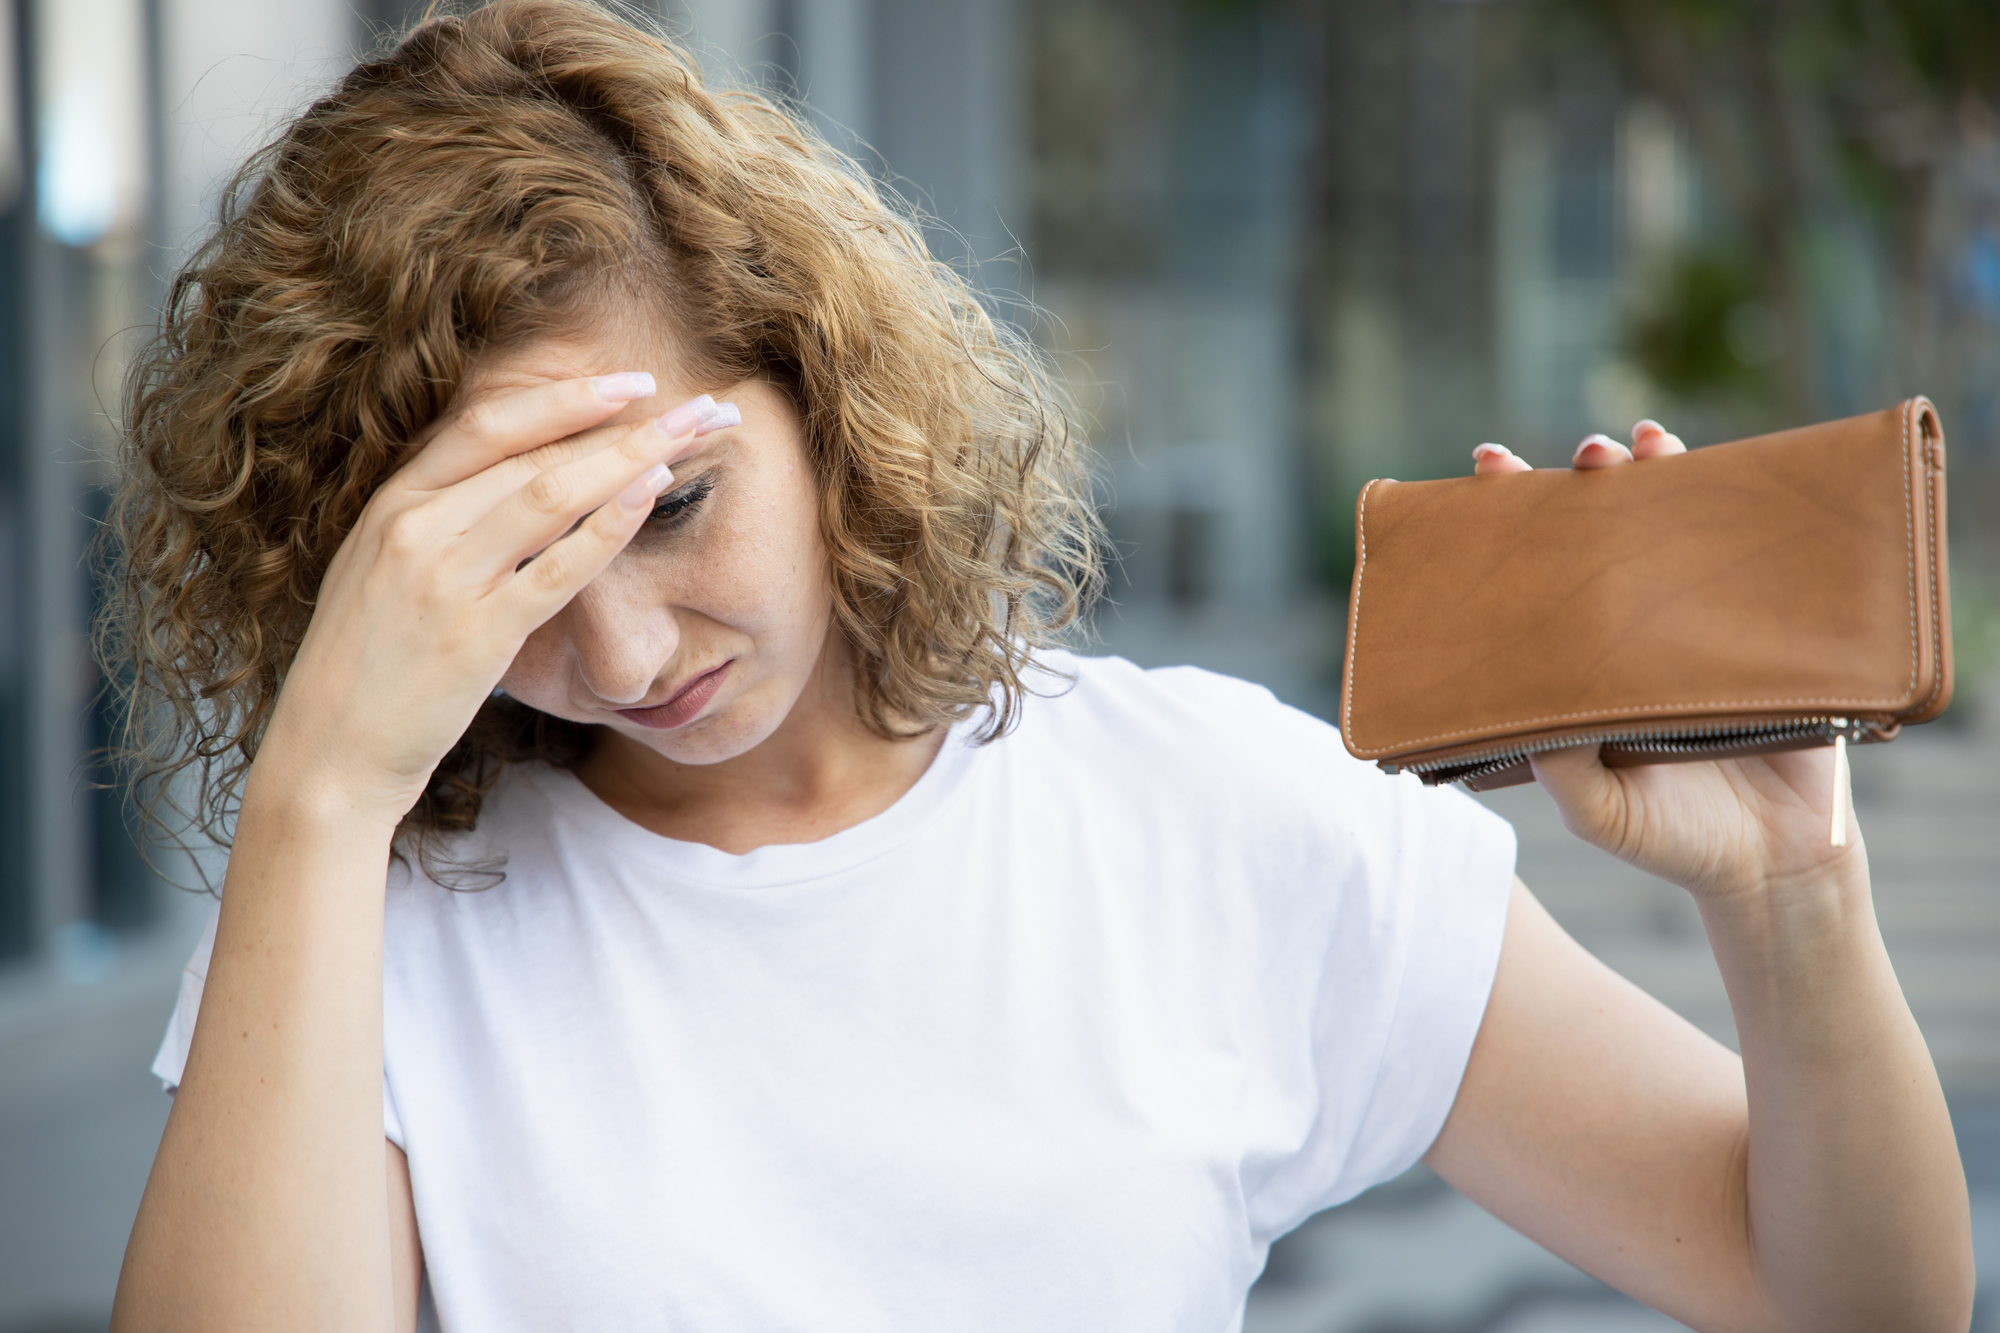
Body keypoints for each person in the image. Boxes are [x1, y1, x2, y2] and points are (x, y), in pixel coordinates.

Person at [109, 3, 1973, 1331]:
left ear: (822, 394)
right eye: (512, 569)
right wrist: (323, 791)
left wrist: (1794, 891)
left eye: (670, 506)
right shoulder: (371, 925)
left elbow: (1850, 1297)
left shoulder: (1207, 813)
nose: (621, 646)